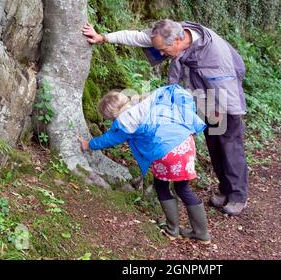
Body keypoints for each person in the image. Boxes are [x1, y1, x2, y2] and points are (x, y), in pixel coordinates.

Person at [83, 19, 249, 216]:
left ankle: (238, 196)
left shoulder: (214, 55)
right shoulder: (167, 33)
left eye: (163, 50)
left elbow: (227, 85)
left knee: (229, 144)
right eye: (159, 49)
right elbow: (137, 37)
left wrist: (224, 112)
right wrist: (103, 37)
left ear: (178, 40)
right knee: (214, 144)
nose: (161, 54)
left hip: (224, 98)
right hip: (203, 95)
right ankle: (225, 190)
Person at [78, 84, 211, 244]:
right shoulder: (149, 101)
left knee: (161, 186)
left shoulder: (125, 122)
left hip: (166, 151)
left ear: (111, 115)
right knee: (182, 188)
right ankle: (201, 233)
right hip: (185, 143)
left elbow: (108, 139)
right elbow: (177, 94)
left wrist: (88, 144)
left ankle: (172, 230)